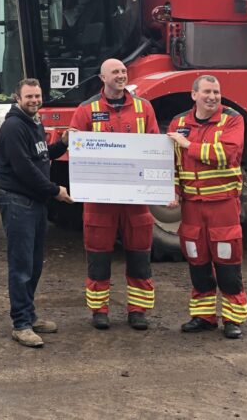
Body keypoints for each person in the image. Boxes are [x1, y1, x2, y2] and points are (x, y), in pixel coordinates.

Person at [69, 58, 159, 330]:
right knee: (98, 256)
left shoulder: (144, 108)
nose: (121, 76)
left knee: (140, 255)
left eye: (123, 71)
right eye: (115, 72)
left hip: (136, 199)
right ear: (102, 77)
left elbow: (155, 146)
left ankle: (138, 311)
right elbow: (76, 150)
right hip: (100, 201)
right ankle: (99, 311)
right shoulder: (87, 110)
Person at [166, 75, 247, 339]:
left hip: (222, 204)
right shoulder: (178, 123)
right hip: (192, 206)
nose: (212, 97)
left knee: (227, 261)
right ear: (194, 95)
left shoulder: (232, 119)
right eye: (207, 92)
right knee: (196, 259)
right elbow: (173, 163)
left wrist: (189, 145)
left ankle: (233, 319)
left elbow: (227, 154)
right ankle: (203, 317)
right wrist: (174, 191)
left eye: (216, 92)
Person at [0, 78, 73, 348]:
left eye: (38, 96)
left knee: (34, 263)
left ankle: (29, 315)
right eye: (29, 96)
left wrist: (61, 144)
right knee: (21, 267)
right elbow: (24, 169)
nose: (34, 100)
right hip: (19, 203)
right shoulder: (13, 127)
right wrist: (54, 190)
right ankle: (21, 324)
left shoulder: (34, 122)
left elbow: (42, 156)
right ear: (17, 98)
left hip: (35, 203)